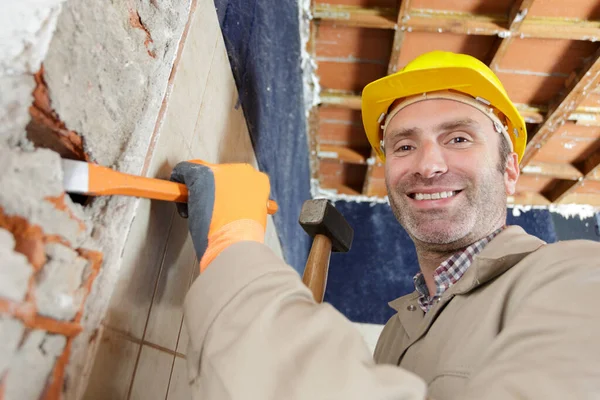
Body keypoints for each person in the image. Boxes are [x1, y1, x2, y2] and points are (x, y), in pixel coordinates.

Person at [170, 51, 600, 399]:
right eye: (405, 145)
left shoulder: (577, 279)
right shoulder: (397, 332)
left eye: (458, 139)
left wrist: (236, 256)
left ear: (509, 170)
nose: (428, 165)